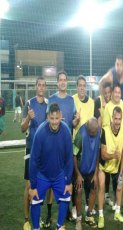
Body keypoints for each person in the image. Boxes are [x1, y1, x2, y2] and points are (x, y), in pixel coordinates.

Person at [29, 103, 73, 230]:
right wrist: (33, 186)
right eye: (52, 118)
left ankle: (59, 226)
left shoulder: (66, 131)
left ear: (61, 116)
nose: (54, 122)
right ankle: (36, 228)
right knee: (35, 199)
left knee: (66, 197)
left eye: (57, 118)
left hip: (59, 174)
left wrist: (68, 181)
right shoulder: (40, 133)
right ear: (48, 117)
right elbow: (33, 160)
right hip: (42, 174)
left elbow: (69, 158)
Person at [46, 71, 79, 226]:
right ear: (57, 82)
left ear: (67, 82)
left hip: (67, 145)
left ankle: (66, 212)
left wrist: (75, 121)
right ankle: (48, 213)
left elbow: (73, 124)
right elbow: (47, 121)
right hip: (53, 145)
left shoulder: (71, 100)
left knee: (67, 178)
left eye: (65, 80)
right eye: (60, 80)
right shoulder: (51, 99)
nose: (63, 82)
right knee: (52, 180)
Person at [97, 106, 123, 228]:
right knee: (101, 187)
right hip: (104, 165)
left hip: (116, 166)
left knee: (119, 186)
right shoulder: (104, 131)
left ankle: (117, 212)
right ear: (112, 118)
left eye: (119, 119)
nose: (117, 121)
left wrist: (122, 170)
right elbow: (103, 154)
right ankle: (101, 215)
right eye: (115, 118)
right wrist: (114, 155)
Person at [21, 77, 48, 230]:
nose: (41, 87)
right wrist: (28, 119)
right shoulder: (29, 103)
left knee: (42, 185)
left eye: (44, 85)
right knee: (29, 185)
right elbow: (22, 128)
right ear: (36, 87)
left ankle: (37, 218)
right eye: (39, 85)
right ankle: (26, 220)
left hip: (43, 151)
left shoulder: (48, 104)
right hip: (31, 149)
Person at [73, 118, 100, 230]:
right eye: (92, 133)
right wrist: (78, 174)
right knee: (79, 191)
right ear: (88, 130)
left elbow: (98, 152)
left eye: (95, 132)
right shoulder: (80, 135)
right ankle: (78, 219)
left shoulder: (98, 131)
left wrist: (96, 173)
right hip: (80, 169)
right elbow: (73, 155)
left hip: (91, 169)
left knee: (94, 189)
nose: (94, 134)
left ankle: (89, 216)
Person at [94, 82, 114, 207]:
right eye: (105, 93)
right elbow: (98, 122)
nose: (107, 95)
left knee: (107, 170)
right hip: (99, 140)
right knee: (98, 170)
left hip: (110, 140)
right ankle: (96, 198)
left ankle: (106, 195)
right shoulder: (98, 101)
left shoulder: (113, 102)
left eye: (108, 93)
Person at [72, 75, 94, 140]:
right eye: (80, 85)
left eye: (84, 86)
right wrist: (76, 120)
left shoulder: (91, 102)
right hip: (75, 140)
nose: (82, 88)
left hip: (87, 139)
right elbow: (71, 123)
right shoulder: (72, 100)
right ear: (76, 87)